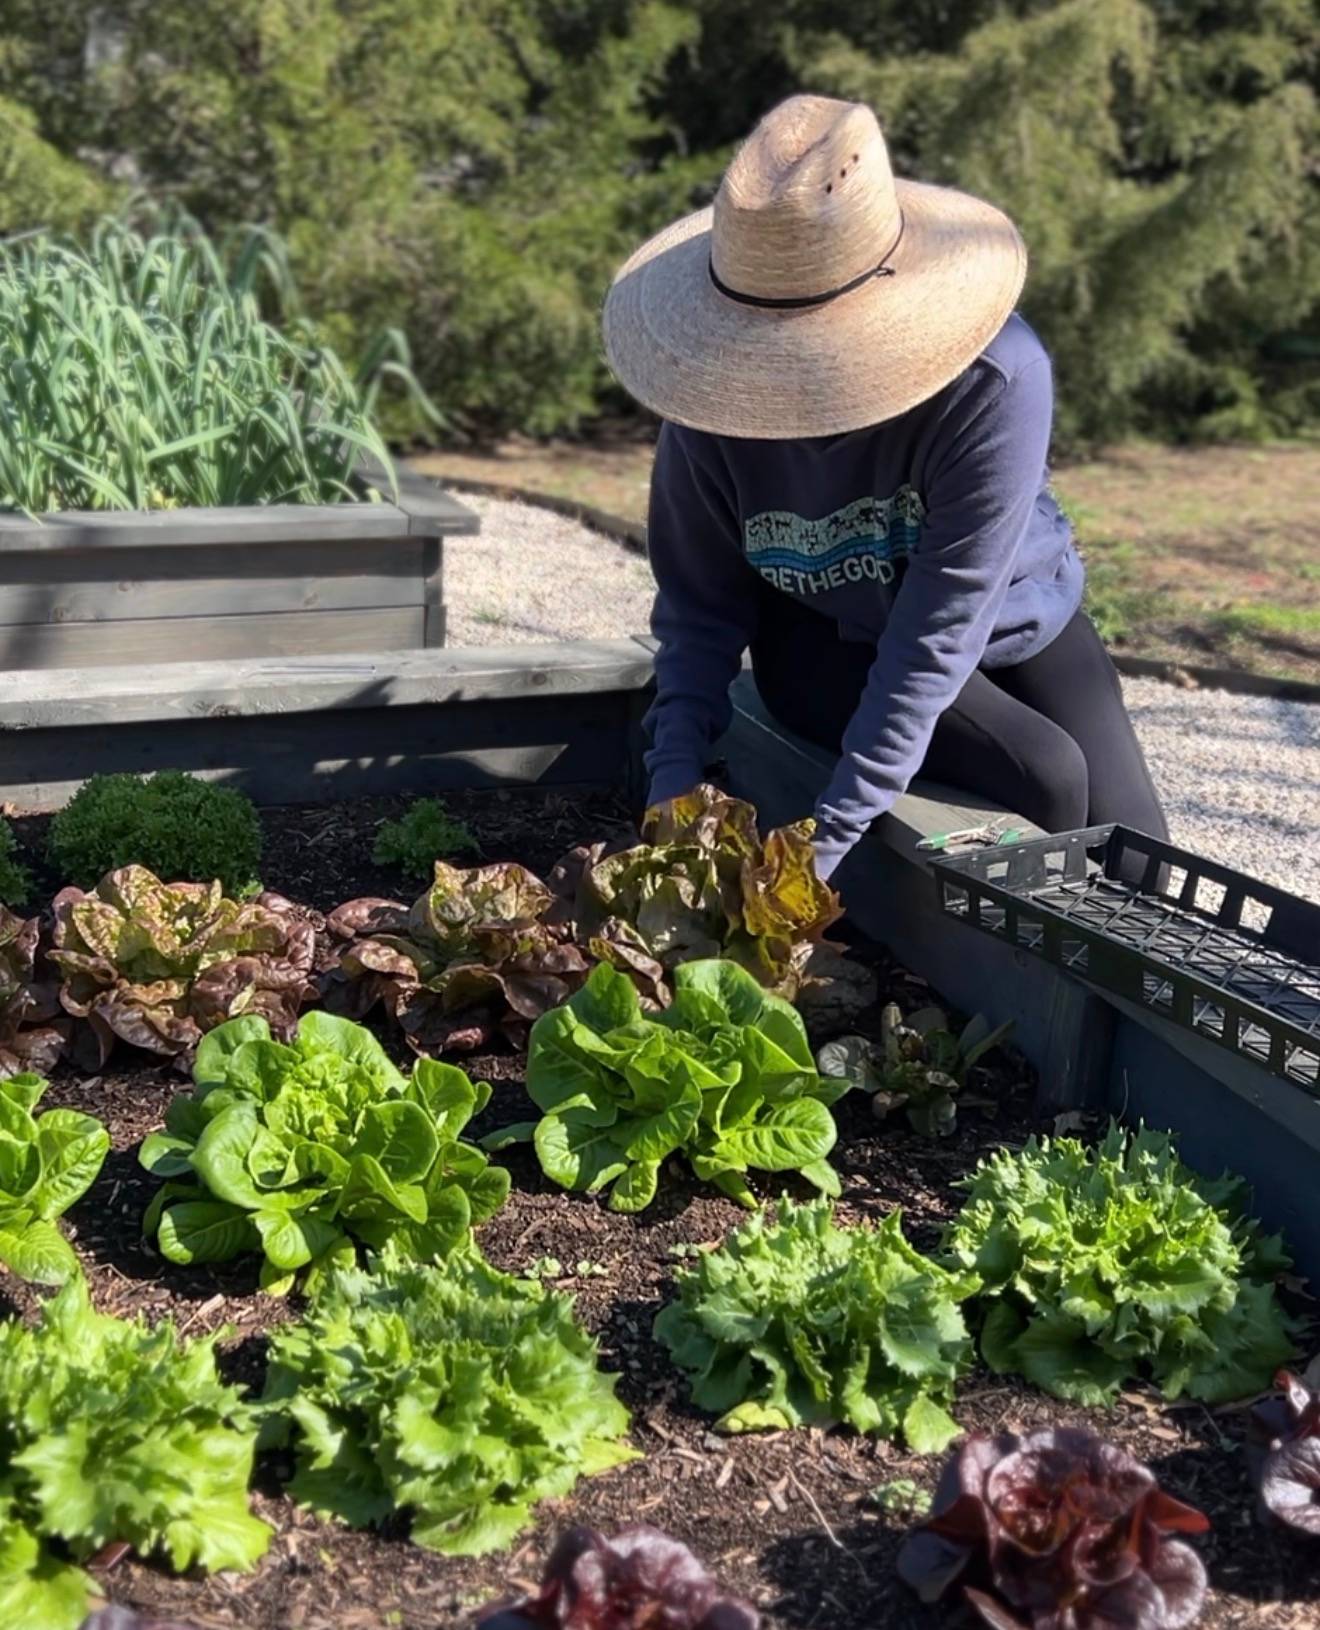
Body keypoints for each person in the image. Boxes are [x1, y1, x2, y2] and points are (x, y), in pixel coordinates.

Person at [600, 94, 1167, 883]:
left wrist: (822, 849)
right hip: (820, 631)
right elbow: (698, 610)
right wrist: (672, 796)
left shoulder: (995, 381)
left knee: (1144, 861)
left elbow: (938, 631)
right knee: (1048, 775)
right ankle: (1024, 979)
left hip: (1003, 615)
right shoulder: (708, 408)